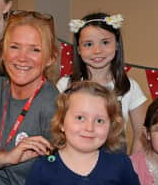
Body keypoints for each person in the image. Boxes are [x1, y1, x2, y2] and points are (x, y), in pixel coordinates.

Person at [0, 10, 59, 185]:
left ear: (50, 58)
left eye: (35, 50)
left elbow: (61, 175)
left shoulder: (54, 105)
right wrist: (5, 158)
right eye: (15, 47)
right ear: (3, 52)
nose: (22, 57)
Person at [23, 81, 142, 185]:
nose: (89, 128)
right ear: (61, 123)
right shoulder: (43, 168)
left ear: (110, 127)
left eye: (99, 121)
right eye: (80, 118)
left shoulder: (120, 164)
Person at [59, 12, 147, 153]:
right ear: (78, 50)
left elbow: (141, 134)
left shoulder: (130, 87)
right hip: (74, 164)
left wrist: (132, 168)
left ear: (117, 44)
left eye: (105, 42)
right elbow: (56, 130)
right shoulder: (65, 85)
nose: (97, 50)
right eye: (88, 44)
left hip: (114, 167)